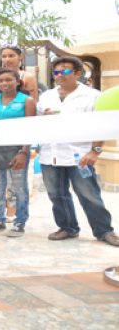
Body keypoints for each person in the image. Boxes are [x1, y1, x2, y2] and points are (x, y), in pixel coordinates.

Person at [37, 56, 119, 246]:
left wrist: (95, 152)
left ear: (78, 73)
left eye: (65, 71)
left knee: (89, 194)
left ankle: (104, 231)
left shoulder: (92, 96)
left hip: (80, 156)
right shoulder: (46, 96)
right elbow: (38, 123)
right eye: (56, 72)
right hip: (50, 155)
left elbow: (102, 127)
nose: (59, 75)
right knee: (57, 194)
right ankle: (68, 227)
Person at [0, 68, 36, 237]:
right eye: (1, 81)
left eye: (8, 80)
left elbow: (31, 128)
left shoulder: (26, 101)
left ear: (17, 82)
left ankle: (20, 222)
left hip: (17, 150)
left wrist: (24, 151)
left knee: (19, 187)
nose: (4, 83)